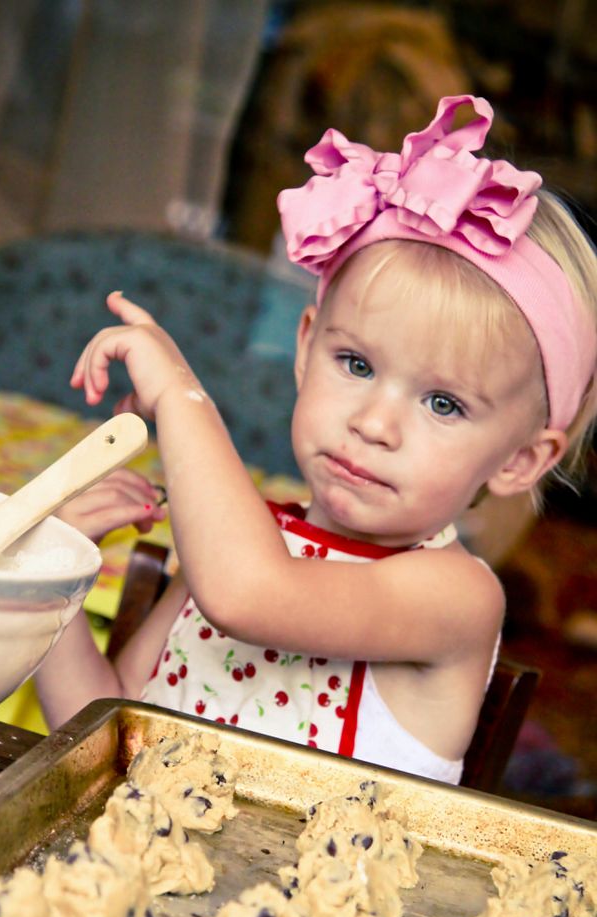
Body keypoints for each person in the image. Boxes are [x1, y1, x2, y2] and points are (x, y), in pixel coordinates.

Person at [35, 95, 597, 783]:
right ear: (306, 347)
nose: (374, 424)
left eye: (443, 404)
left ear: (521, 459)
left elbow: (249, 596)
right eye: (356, 365)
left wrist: (181, 398)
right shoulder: (234, 550)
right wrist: (54, 584)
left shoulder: (454, 597)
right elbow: (95, 736)